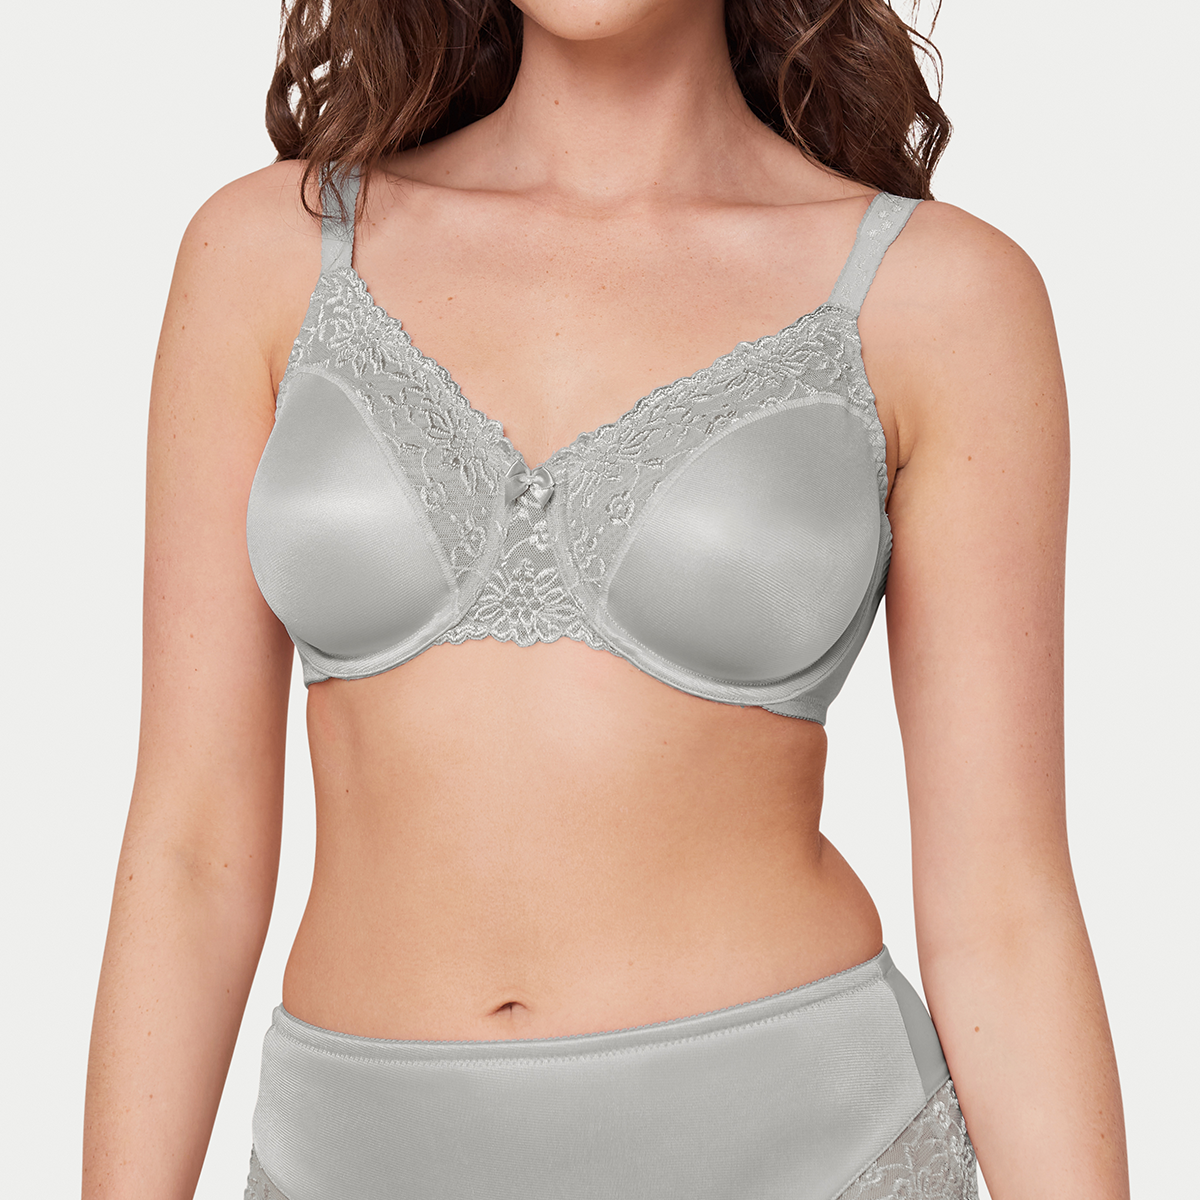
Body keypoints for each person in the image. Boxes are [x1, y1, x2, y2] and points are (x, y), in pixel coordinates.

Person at [82, 1, 1130, 1197]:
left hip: (811, 1154)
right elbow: (191, 847)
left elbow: (1002, 908)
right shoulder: (268, 252)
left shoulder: (939, 297)